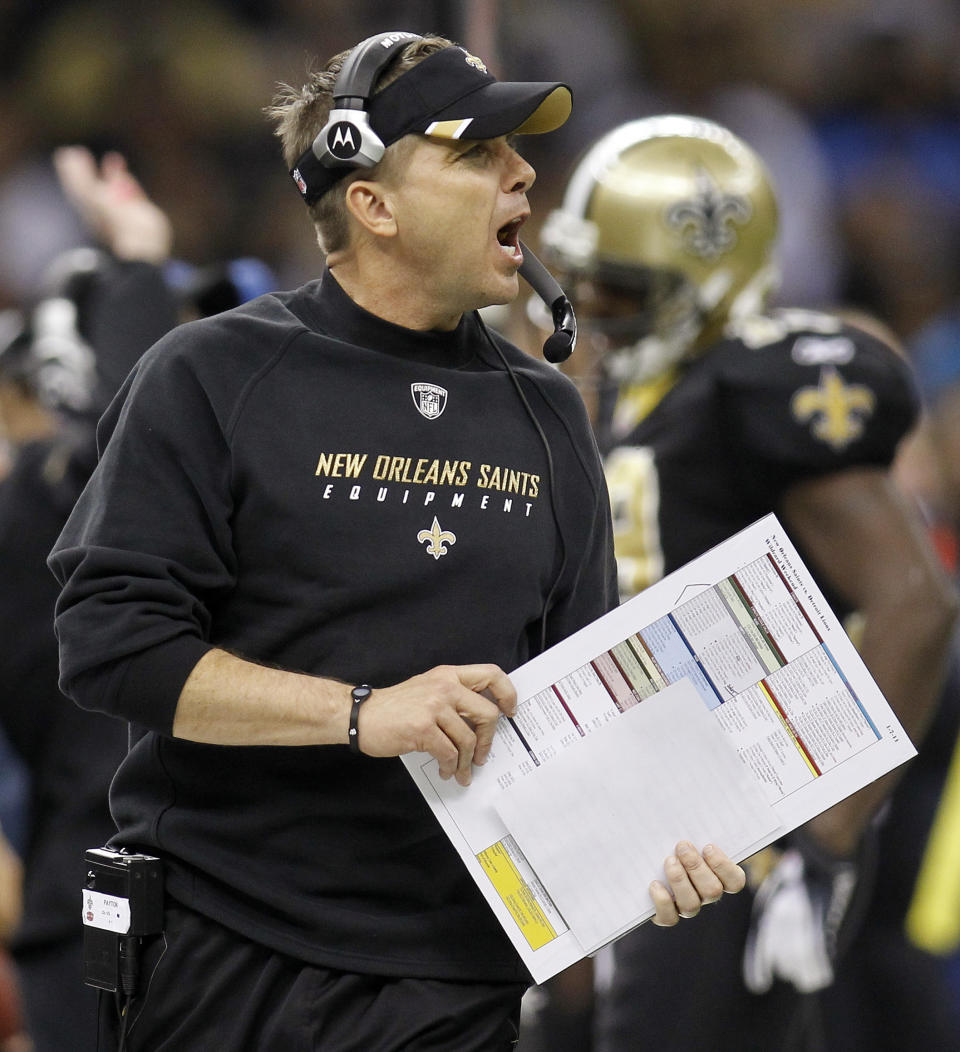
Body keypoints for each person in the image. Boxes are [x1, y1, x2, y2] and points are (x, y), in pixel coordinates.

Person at [47, 33, 747, 1052]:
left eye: (517, 153)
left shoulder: (551, 416)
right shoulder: (209, 373)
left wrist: (658, 852)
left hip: (453, 976)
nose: (523, 173)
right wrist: (361, 714)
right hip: (228, 955)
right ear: (370, 202)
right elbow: (111, 644)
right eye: (477, 153)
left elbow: (581, 708)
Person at [538, 114, 959, 1051]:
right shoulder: (647, 391)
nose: (588, 301)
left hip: (725, 838)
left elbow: (914, 603)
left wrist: (820, 838)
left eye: (618, 283)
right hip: (622, 820)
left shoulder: (755, 389)